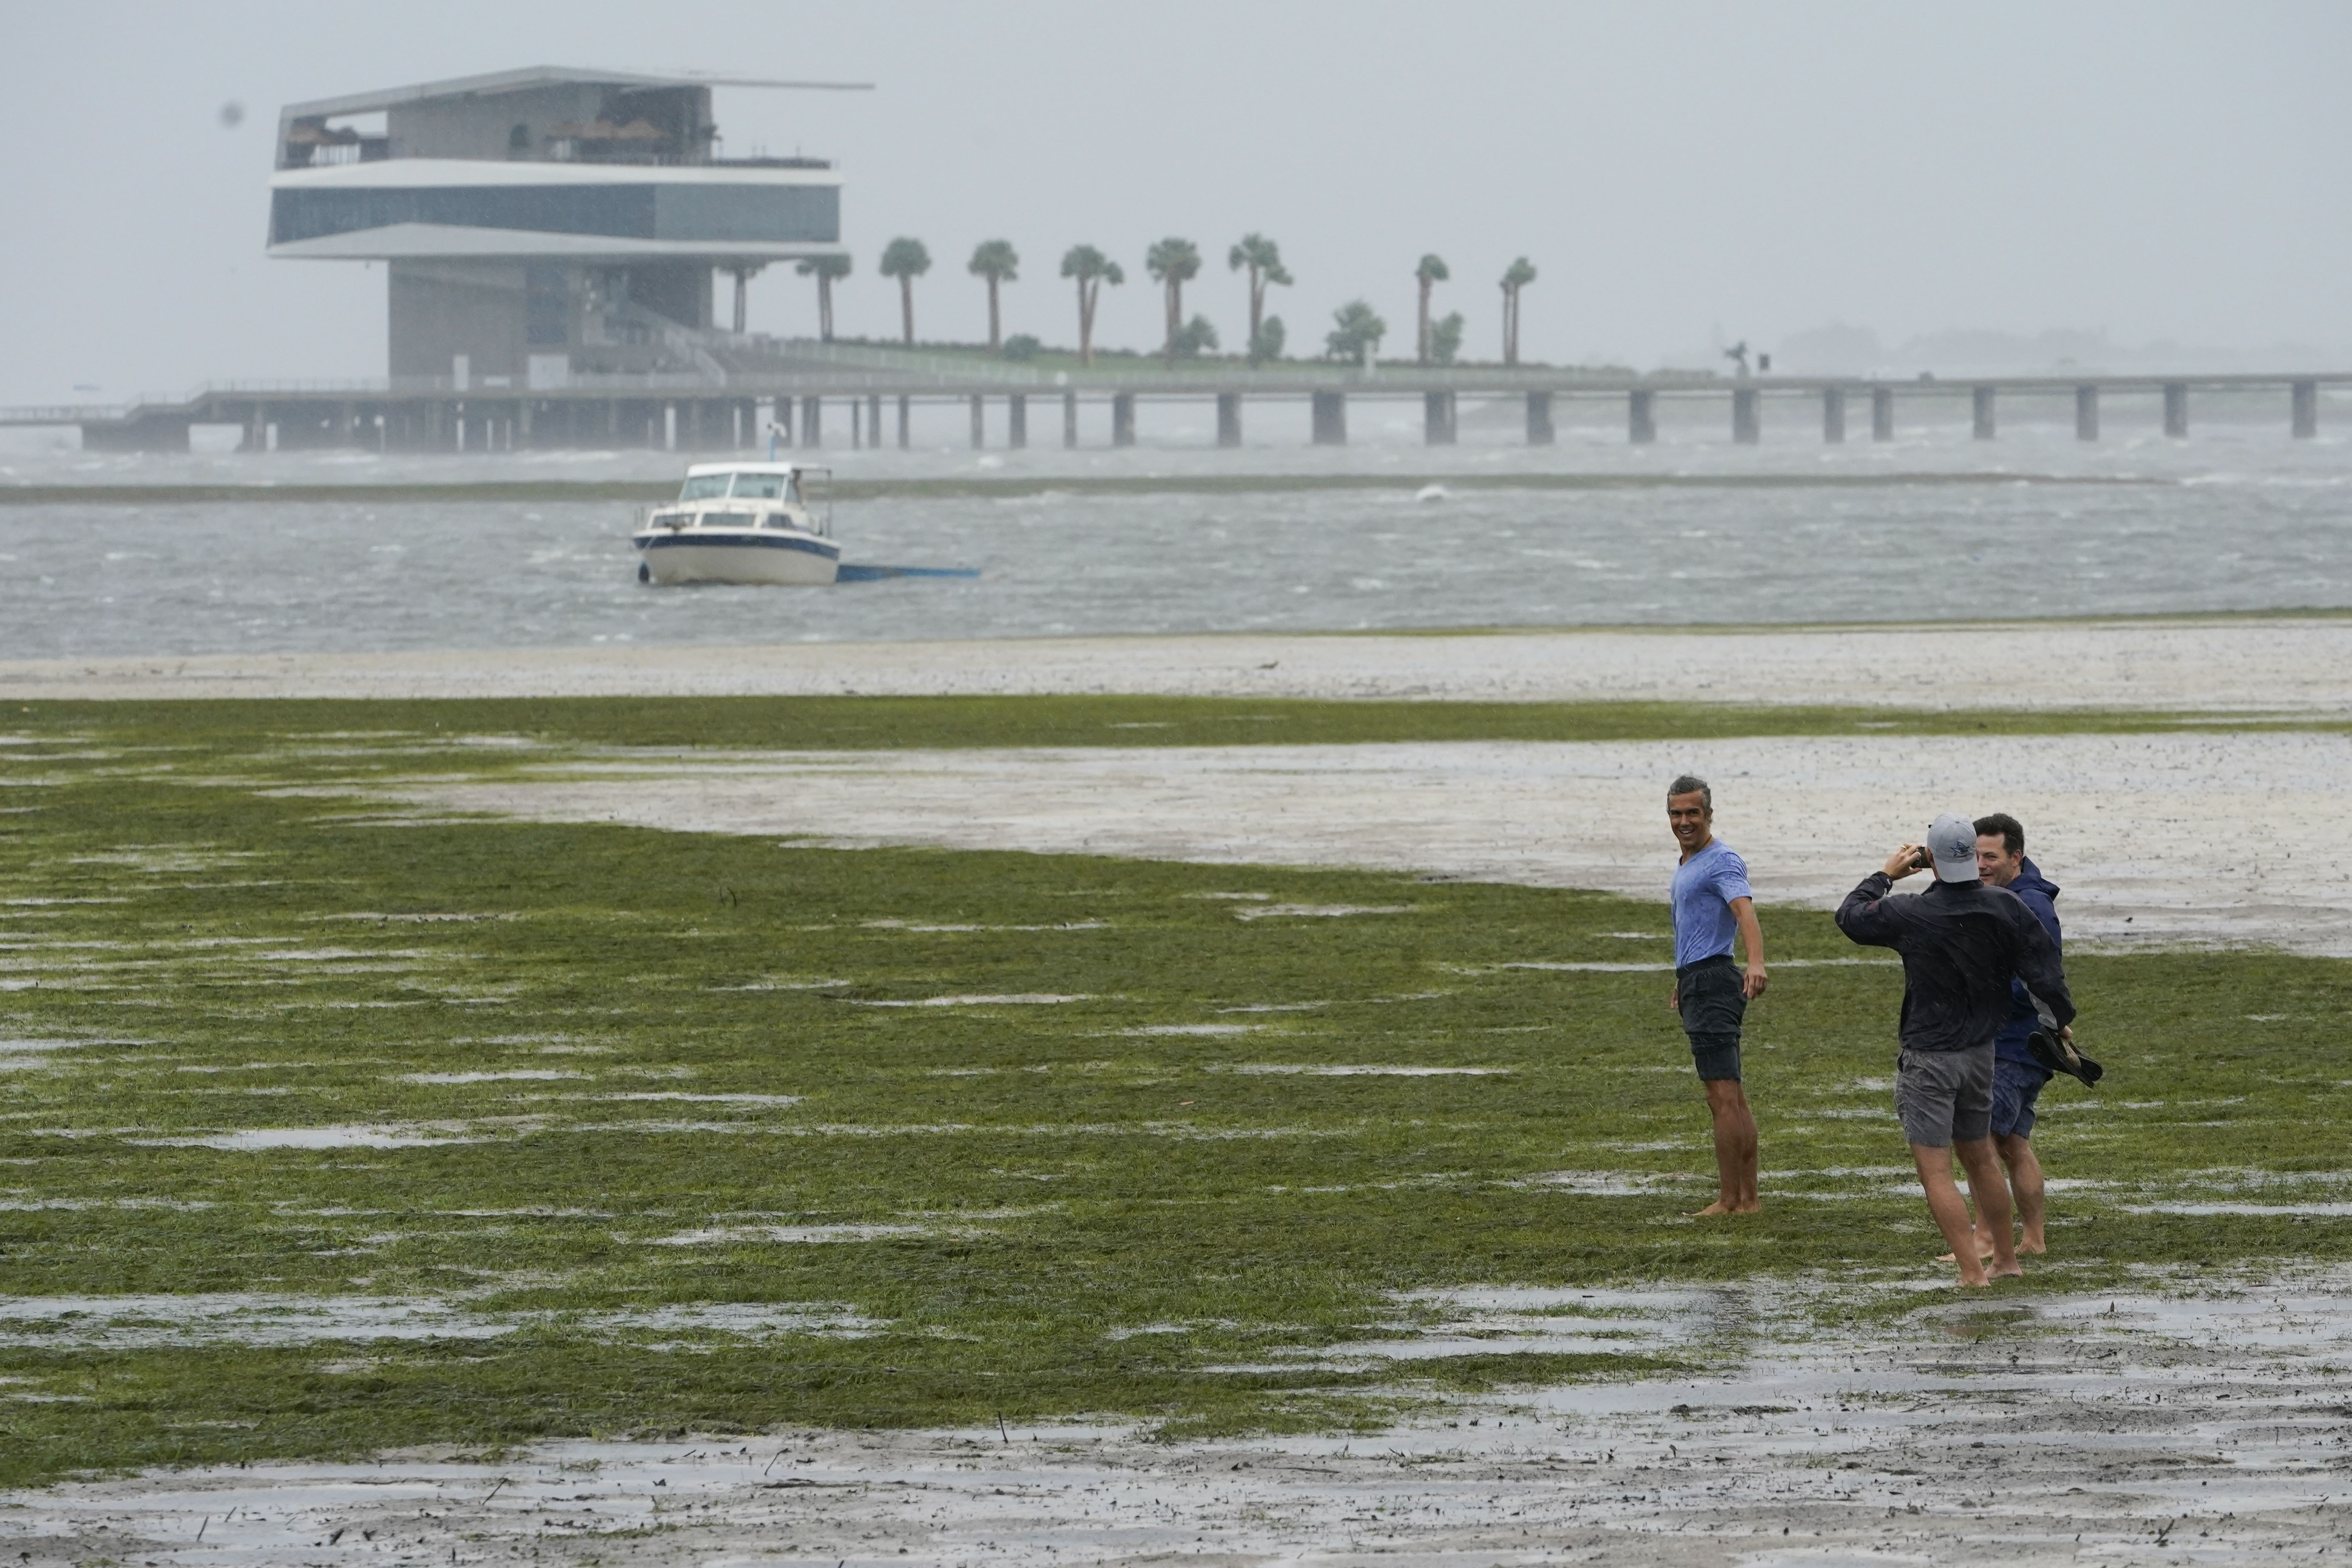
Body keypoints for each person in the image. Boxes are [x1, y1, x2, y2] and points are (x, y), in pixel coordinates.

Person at [1834, 813, 2075, 1288]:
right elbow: (2045, 973)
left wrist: (1886, 874)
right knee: (1981, 1159)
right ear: (1972, 855)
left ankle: (1971, 1272)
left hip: (1929, 1057)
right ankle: (2004, 1260)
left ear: (1932, 860)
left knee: (1935, 1171)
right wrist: (2057, 1022)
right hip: (1981, 1053)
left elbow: (1850, 916)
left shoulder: (1910, 911)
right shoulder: (2007, 907)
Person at [1665, 774, 1769, 1216]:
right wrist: (1683, 977)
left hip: (1713, 981)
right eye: (1676, 813)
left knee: (1721, 1097)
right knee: (1732, 1096)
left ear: (1708, 813)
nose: (1684, 821)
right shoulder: (1689, 862)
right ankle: (1746, 1199)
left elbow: (1743, 909)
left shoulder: (1719, 860)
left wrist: (1756, 962)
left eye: (1692, 812)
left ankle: (1731, 1201)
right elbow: (1697, 926)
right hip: (1699, 978)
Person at [1974, 811, 2061, 1257]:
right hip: (2023, 1044)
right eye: (1973, 856)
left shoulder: (2029, 906)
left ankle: (1986, 1239)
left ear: (2016, 856)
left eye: (1989, 856)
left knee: (1982, 1139)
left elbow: (2038, 981)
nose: (1980, 865)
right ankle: (2033, 1239)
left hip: (2013, 1044)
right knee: (2012, 1143)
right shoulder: (2005, 897)